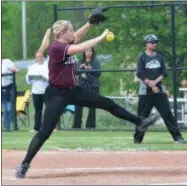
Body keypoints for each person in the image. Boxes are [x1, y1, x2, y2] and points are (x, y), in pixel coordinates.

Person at [15, 14, 158, 178]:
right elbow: (81, 46)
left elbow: (78, 37)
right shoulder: (56, 48)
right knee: (44, 133)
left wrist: (89, 23)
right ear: (62, 34)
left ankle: (140, 122)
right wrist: (101, 37)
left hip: (72, 90)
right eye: (70, 29)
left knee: (107, 103)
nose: (73, 32)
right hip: (57, 94)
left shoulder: (65, 42)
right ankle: (24, 164)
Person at [133, 34, 185, 144]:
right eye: (152, 42)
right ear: (147, 44)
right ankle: (137, 139)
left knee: (167, 114)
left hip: (159, 91)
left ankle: (178, 137)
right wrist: (150, 83)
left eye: (156, 42)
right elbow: (140, 73)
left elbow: (163, 72)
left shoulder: (159, 57)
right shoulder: (142, 57)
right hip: (145, 93)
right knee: (142, 116)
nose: (155, 44)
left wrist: (155, 83)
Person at [73, 47, 101, 129]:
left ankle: (90, 126)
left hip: (92, 86)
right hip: (82, 85)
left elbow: (99, 73)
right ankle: (77, 126)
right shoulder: (80, 61)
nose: (88, 53)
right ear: (84, 52)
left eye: (90, 51)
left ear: (93, 52)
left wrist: (91, 69)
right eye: (86, 51)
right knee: (78, 106)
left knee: (92, 106)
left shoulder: (95, 61)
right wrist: (81, 68)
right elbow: (76, 72)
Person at [26, 52, 49, 132]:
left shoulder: (47, 66)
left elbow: (51, 77)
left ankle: (51, 127)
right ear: (35, 58)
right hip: (35, 91)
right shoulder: (32, 67)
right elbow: (28, 79)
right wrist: (30, 78)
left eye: (41, 56)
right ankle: (36, 128)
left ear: (43, 57)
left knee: (49, 109)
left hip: (46, 90)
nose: (39, 58)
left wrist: (45, 78)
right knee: (37, 110)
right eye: (37, 57)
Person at [2, 58, 19, 131]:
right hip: (1, 88)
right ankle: (7, 126)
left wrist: (14, 70)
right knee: (5, 108)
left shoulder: (7, 62)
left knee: (9, 108)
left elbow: (16, 69)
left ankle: (13, 124)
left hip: (9, 87)